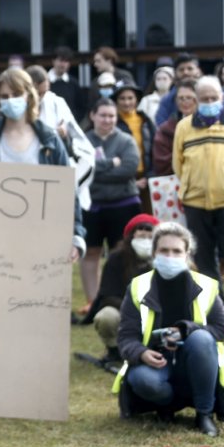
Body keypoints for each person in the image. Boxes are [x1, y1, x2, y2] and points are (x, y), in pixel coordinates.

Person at [115, 222, 224, 435]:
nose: (170, 256)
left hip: (196, 361)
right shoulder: (138, 286)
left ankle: (203, 414)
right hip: (156, 363)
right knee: (143, 380)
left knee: (202, 339)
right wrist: (141, 353)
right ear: (154, 253)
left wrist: (187, 330)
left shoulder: (207, 286)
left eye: (177, 251)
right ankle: (165, 406)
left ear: (187, 254)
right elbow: (126, 336)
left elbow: (222, 328)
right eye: (164, 250)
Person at [0, 68, 87, 261]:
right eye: (4, 96)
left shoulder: (49, 139)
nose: (10, 100)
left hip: (42, 233)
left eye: (16, 94)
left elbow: (67, 191)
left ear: (29, 96)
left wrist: (76, 235)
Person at [173, 75, 224, 314]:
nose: (209, 101)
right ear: (196, 100)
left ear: (222, 97)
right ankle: (214, 309)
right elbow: (178, 164)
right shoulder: (184, 127)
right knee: (204, 260)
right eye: (204, 98)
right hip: (195, 203)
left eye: (213, 97)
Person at [79, 99, 141, 311]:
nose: (108, 120)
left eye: (112, 116)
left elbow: (128, 170)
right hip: (91, 205)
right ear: (92, 116)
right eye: (103, 115)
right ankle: (93, 301)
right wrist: (110, 164)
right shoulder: (82, 140)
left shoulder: (126, 141)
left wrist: (96, 171)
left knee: (123, 253)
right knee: (91, 252)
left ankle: (124, 301)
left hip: (123, 204)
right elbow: (80, 170)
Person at [82, 214, 159, 368]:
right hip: (124, 311)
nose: (145, 239)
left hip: (158, 313)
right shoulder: (116, 258)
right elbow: (107, 295)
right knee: (106, 316)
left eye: (150, 236)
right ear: (131, 236)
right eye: (141, 235)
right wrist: (134, 310)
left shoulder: (164, 259)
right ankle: (115, 350)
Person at [26, 64, 95, 210]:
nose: (41, 97)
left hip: (54, 170)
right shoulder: (17, 104)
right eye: (38, 93)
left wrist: (64, 135)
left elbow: (78, 139)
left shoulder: (56, 102)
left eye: (45, 92)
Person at [113, 82, 157, 213]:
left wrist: (149, 176)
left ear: (137, 99)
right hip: (122, 180)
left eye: (130, 98)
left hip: (145, 177)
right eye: (122, 98)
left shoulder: (145, 120)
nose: (126, 102)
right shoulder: (111, 121)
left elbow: (155, 149)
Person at [151, 79, 197, 176]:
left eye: (189, 98)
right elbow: (161, 162)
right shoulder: (166, 129)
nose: (184, 102)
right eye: (181, 98)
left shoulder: (211, 126)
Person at [154, 52, 203, 126]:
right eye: (181, 69)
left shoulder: (209, 95)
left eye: (190, 69)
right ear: (175, 73)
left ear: (198, 71)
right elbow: (162, 127)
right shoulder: (167, 100)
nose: (185, 72)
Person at [48, 46, 86, 124]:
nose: (63, 64)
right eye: (61, 60)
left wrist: (70, 122)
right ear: (53, 61)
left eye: (66, 61)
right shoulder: (45, 81)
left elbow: (81, 107)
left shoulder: (73, 83)